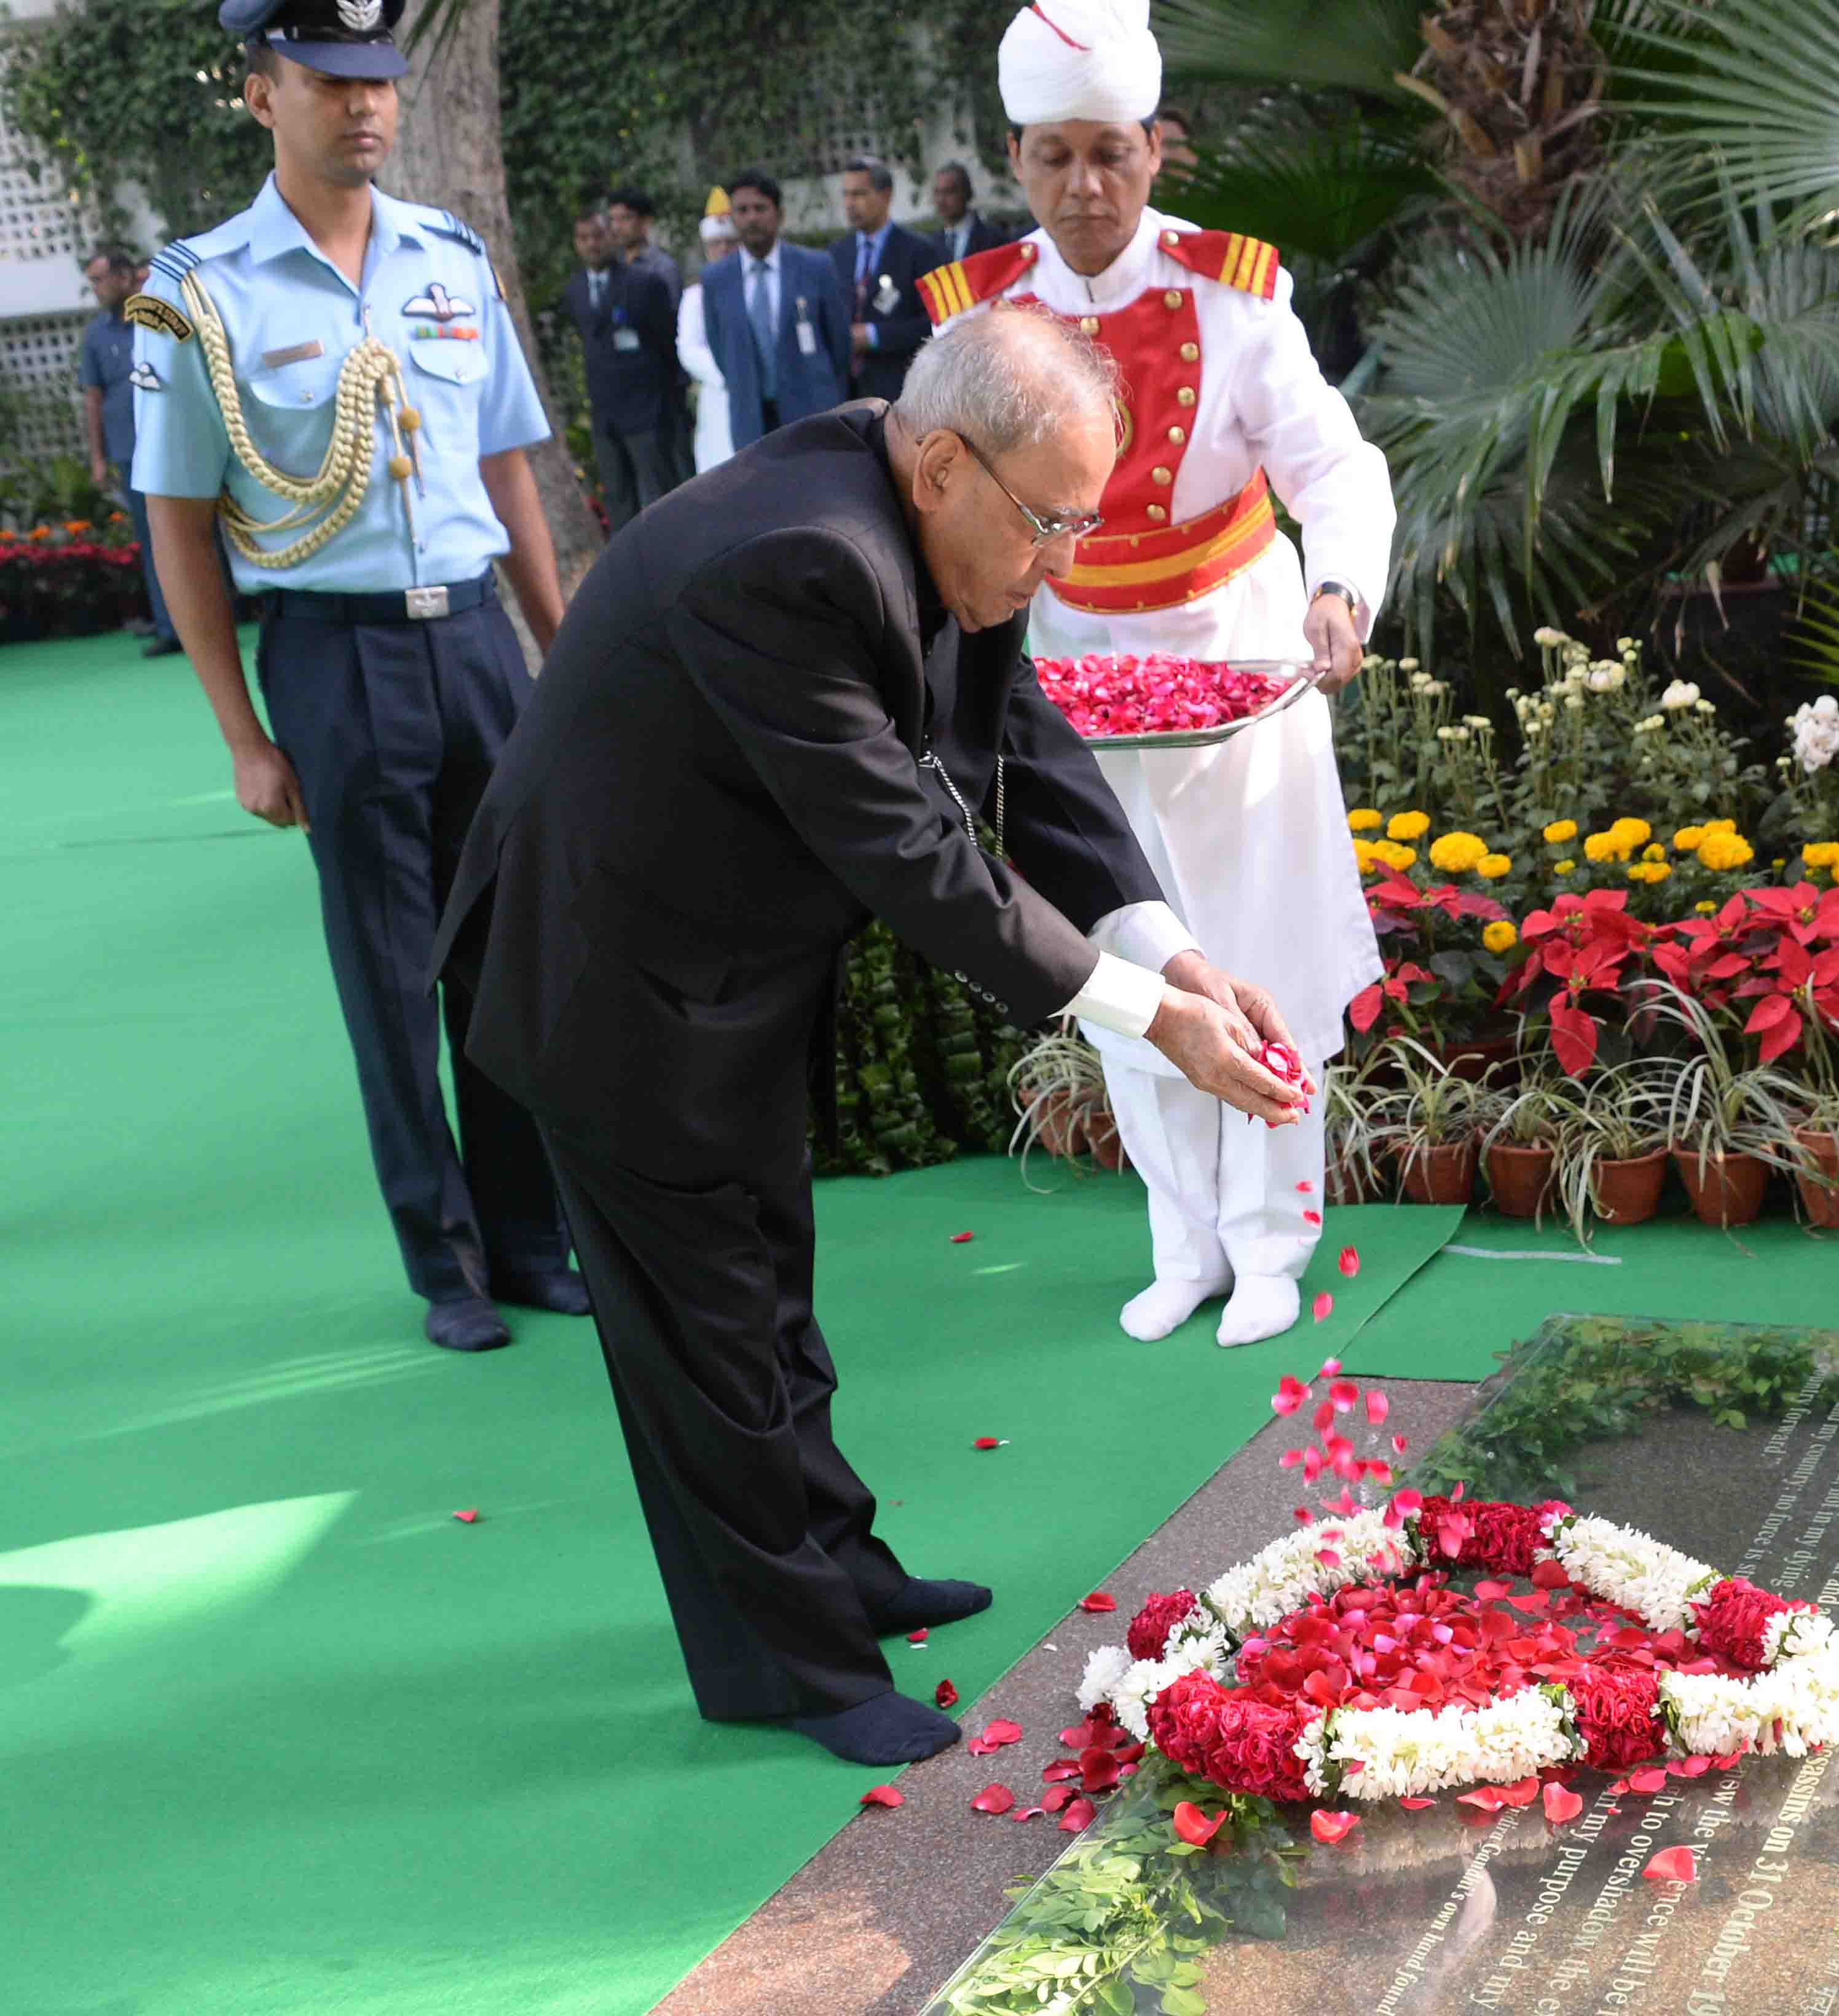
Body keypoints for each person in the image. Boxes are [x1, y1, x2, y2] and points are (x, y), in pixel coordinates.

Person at [431, 307, 1309, 1763]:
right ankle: (789, 1663)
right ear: (947, 464)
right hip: (604, 977)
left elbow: (1017, 731)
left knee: (772, 1282)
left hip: (726, 960)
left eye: (1081, 524)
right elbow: (911, 849)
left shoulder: (949, 502)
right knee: (707, 1332)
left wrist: (1173, 947)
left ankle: (840, 1563)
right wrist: (1146, 1020)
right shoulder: (799, 562)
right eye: (1051, 526)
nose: (1064, 561)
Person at [924, 0, 1390, 1349]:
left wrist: (1339, 584)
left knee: (1260, 959)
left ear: (1155, 148)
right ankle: (1180, 1237)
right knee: (1121, 962)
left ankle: (1271, 1241)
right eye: (1055, 155)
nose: (1086, 186)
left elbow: (1334, 467)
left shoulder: (1236, 294)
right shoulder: (975, 316)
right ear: (1015, 159)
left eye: (1112, 153)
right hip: (1058, 669)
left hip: (1238, 657)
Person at [130, 0, 581, 1355]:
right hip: (336, 653)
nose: (365, 105)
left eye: (377, 77)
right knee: (389, 972)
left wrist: (560, 648)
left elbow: (510, 467)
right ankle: (444, 1260)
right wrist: (244, 732)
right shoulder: (200, 292)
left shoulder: (450, 257)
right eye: (329, 80)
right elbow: (181, 522)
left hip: (474, 650)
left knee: (501, 958)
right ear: (263, 94)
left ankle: (527, 1235)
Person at [75, 244, 181, 658]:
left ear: (125, 277)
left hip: (174, 442)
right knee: (153, 538)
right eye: (92, 282)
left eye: (100, 279)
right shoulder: (96, 335)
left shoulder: (158, 318)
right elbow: (93, 398)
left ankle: (223, 612)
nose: (96, 288)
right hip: (130, 451)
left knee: (197, 530)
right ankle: (171, 627)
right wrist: (98, 457)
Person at [695, 171, 848, 451]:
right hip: (751, 420)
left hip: (812, 413)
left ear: (779, 214)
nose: (752, 218)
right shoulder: (716, 279)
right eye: (742, 210)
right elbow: (721, 351)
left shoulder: (816, 267)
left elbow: (839, 344)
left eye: (760, 208)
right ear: (732, 218)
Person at [557, 207, 683, 521]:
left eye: (598, 236)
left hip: (648, 413)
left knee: (660, 502)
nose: (592, 245)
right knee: (618, 503)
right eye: (583, 238)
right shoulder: (574, 291)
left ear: (612, 237)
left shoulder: (645, 284)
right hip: (605, 417)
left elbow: (667, 347)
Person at [837, 157, 938, 401]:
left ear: (886, 195)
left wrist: (874, 335)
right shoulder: (836, 254)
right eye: (846, 195)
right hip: (847, 395)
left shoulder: (920, 252)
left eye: (859, 194)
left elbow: (937, 324)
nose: (850, 204)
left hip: (902, 391)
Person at [674, 189, 738, 474]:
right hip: (718, 395)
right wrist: (729, 374)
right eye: (715, 243)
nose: (723, 249)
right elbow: (689, 350)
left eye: (730, 242)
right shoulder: (696, 296)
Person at [926, 161, 1014, 265]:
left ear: (968, 193)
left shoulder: (995, 239)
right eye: (937, 193)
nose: (941, 200)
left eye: (949, 192)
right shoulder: (931, 245)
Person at [602, 186, 680, 297]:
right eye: (612, 219)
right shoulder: (609, 264)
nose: (616, 227)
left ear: (646, 222)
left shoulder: (663, 268)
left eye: (624, 218)